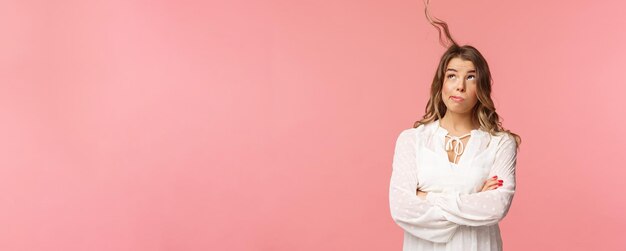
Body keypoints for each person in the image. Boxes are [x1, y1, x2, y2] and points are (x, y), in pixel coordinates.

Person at [388, 1, 522, 250]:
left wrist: (426, 197)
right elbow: (401, 208)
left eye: (470, 77)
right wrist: (473, 200)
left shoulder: (500, 143)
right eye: (452, 76)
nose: (459, 85)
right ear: (441, 84)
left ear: (481, 88)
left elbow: (496, 207)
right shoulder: (412, 140)